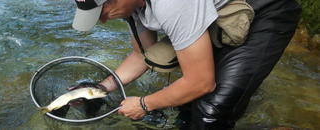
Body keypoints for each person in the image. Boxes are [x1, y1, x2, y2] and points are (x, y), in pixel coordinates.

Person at [70, 0, 301, 129]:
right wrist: (100, 88)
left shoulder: (172, 3)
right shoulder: (131, 8)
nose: (102, 19)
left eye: (103, 10)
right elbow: (142, 54)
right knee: (186, 109)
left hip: (265, 10)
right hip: (219, 16)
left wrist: (143, 103)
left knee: (211, 112)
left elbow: (201, 82)